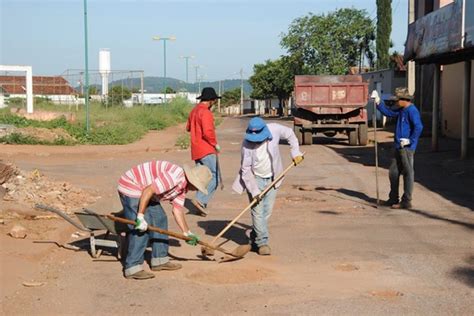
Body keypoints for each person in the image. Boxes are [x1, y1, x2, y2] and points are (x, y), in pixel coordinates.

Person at [117, 161, 212, 280]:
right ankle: (132, 267)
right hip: (132, 186)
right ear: (192, 180)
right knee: (141, 229)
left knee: (160, 219)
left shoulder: (183, 188)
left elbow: (177, 210)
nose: (196, 190)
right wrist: (140, 217)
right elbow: (147, 191)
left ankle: (159, 260)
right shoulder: (174, 177)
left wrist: (187, 233)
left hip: (147, 192)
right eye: (197, 186)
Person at [232, 117, 304, 255]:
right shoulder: (246, 144)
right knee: (257, 212)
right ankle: (262, 243)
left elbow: (290, 134)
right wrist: (254, 191)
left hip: (273, 178)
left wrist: (295, 152)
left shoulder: (274, 129)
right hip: (255, 179)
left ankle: (254, 237)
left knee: (266, 212)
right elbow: (245, 169)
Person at [371, 88, 423, 210]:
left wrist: (410, 140)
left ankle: (406, 201)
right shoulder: (401, 110)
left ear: (405, 100)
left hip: (406, 147)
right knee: (393, 172)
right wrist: (378, 102)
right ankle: (393, 198)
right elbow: (389, 113)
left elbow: (418, 127)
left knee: (408, 173)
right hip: (398, 146)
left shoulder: (412, 111)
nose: (396, 102)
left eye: (397, 100)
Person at [186, 87, 221, 217]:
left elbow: (188, 128)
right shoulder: (205, 112)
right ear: (211, 100)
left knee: (202, 177)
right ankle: (200, 200)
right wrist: (215, 144)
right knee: (214, 177)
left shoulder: (194, 111)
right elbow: (208, 132)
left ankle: (201, 205)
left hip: (196, 149)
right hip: (206, 149)